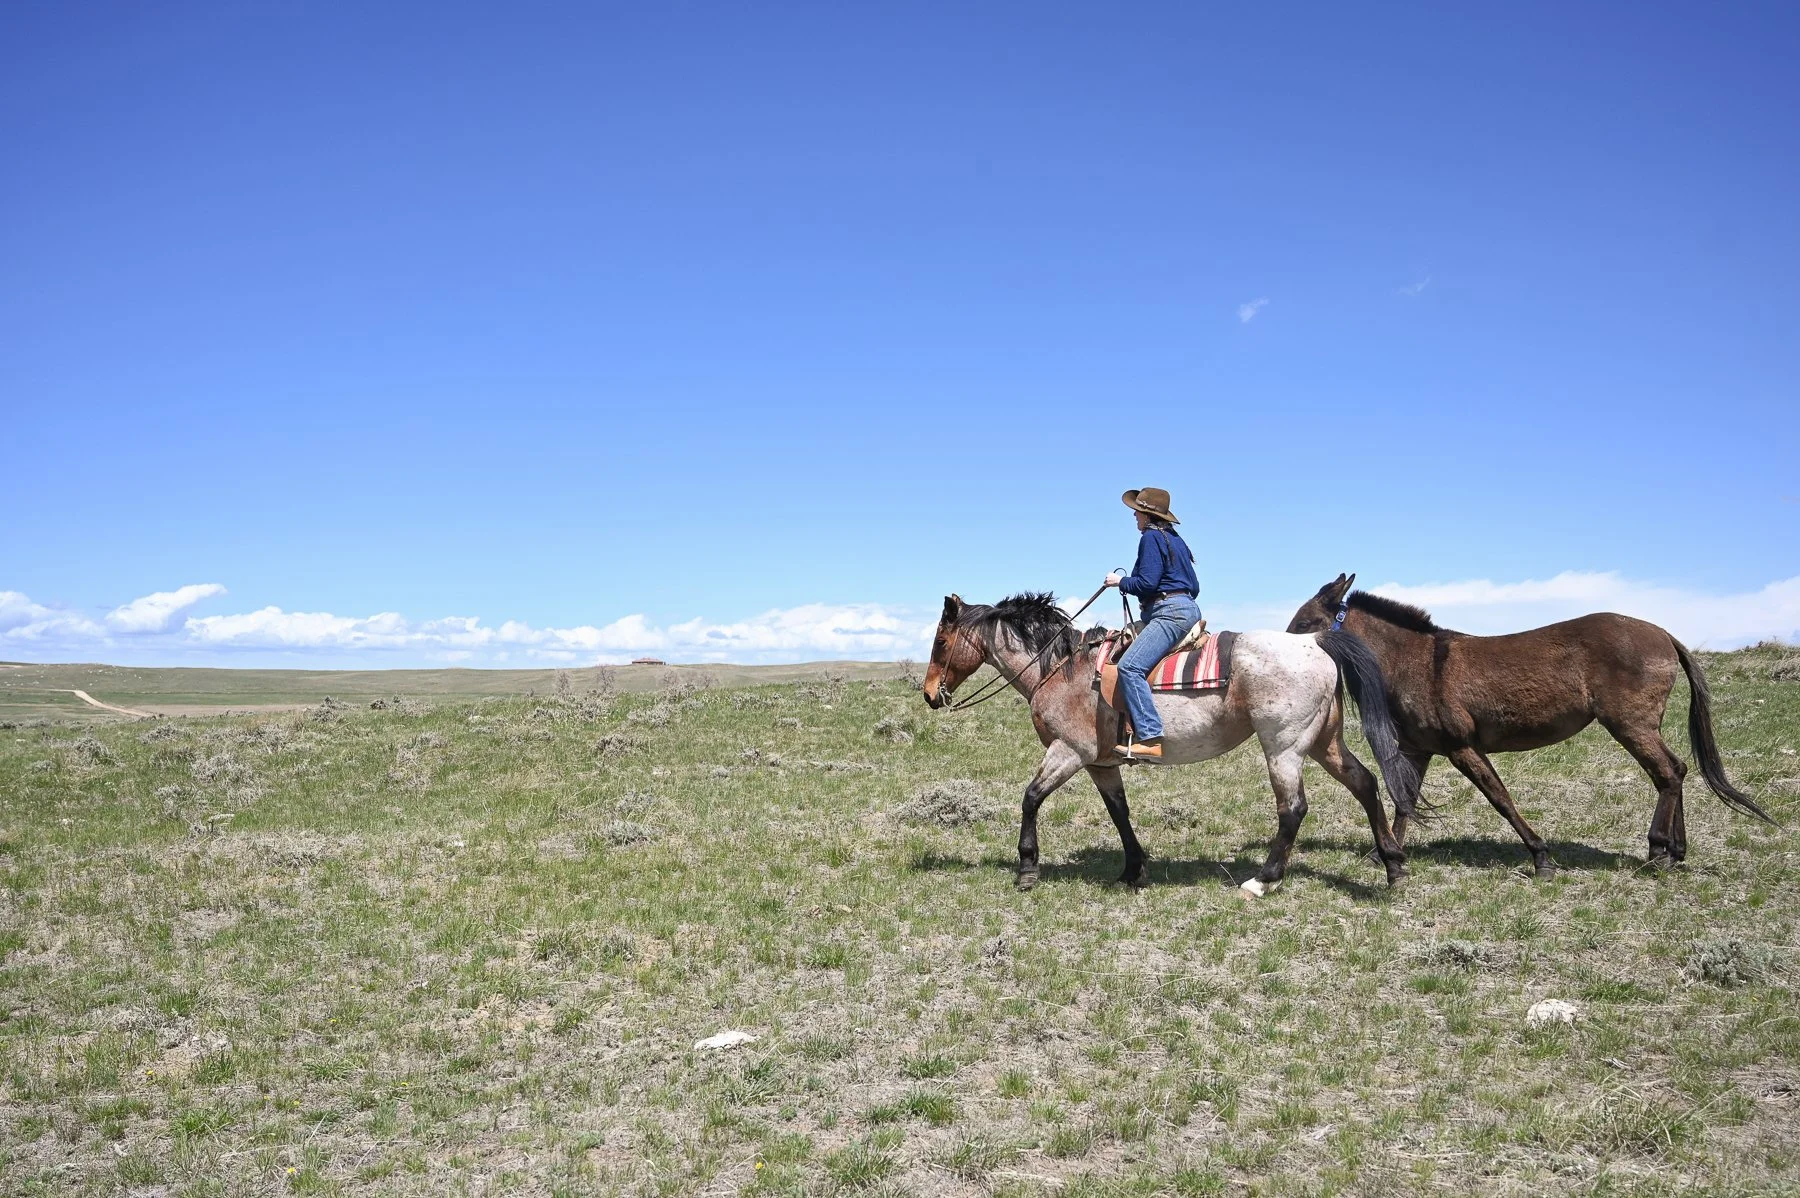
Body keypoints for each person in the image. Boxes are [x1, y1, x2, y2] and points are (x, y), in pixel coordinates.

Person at [1103, 487, 1200, 760]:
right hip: (1186, 607)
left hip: (1168, 613)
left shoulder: (1150, 538)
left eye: (1138, 511)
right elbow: (1194, 585)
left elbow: (1147, 583)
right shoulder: (1176, 540)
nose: (1134, 515)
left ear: (1147, 515)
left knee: (1130, 666)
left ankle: (1150, 737)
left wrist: (1119, 581)